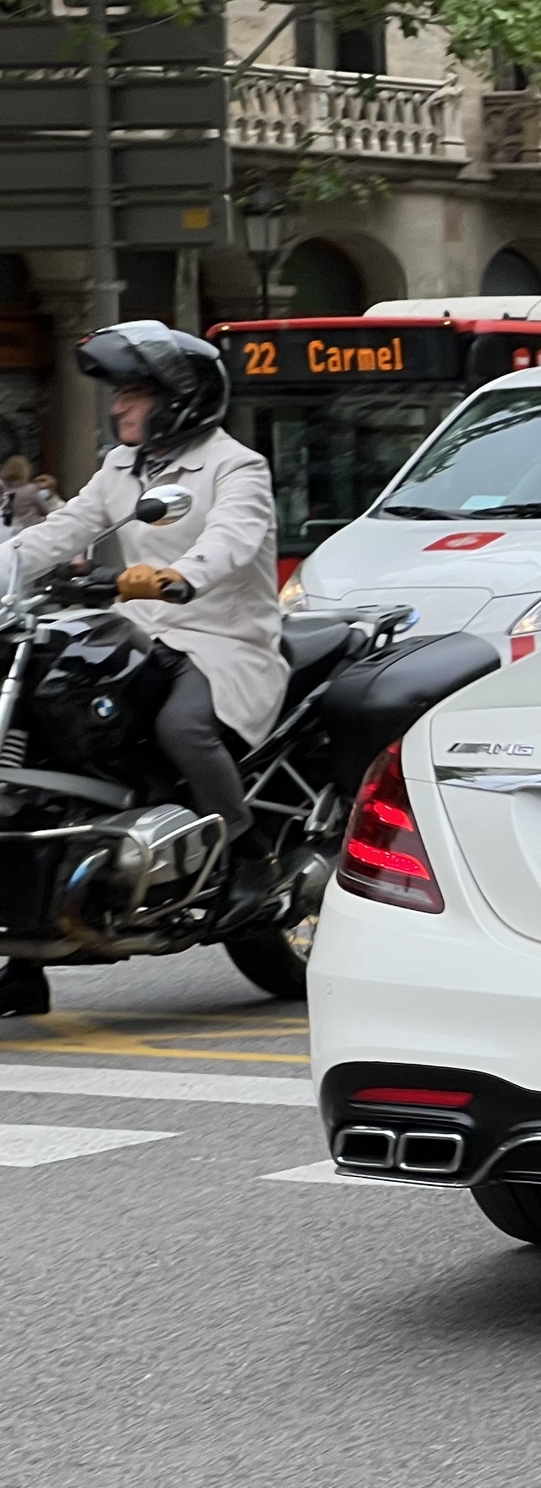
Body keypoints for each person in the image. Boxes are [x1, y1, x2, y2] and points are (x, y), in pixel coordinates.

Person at [0, 320, 285, 1017]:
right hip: (140, 632)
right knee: (45, 727)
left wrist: (175, 578)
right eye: (119, 394)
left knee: (183, 729)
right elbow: (56, 534)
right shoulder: (121, 468)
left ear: (177, 397)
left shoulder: (235, 467)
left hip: (219, 637)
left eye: (131, 393)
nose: (119, 407)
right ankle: (25, 956)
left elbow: (231, 543)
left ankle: (249, 857)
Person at [1, 455, 52, 530]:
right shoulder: (30, 489)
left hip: (8, 528)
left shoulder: (4, 490)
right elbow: (44, 510)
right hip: (30, 528)